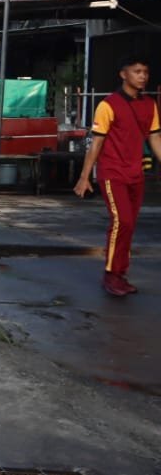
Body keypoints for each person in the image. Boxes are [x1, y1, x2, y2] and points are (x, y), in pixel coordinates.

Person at [74, 54, 161, 296]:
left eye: (145, 72)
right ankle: (111, 274)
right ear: (123, 74)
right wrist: (84, 177)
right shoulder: (108, 105)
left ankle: (120, 273)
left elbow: (155, 138)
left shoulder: (149, 105)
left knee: (129, 225)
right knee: (121, 222)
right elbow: (96, 144)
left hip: (136, 174)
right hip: (112, 173)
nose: (142, 76)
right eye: (137, 71)